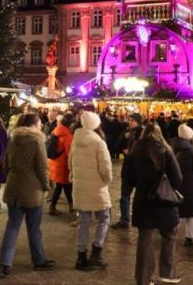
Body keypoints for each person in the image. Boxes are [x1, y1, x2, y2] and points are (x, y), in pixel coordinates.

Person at [123, 123, 183, 285]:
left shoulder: (135, 151)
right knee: (169, 235)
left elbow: (128, 177)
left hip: (143, 201)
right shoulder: (166, 150)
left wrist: (140, 186)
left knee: (145, 241)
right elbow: (177, 179)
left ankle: (143, 279)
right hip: (164, 201)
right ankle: (167, 272)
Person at [0, 113, 55, 278]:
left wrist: (12, 178)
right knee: (34, 228)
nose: (41, 126)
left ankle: (4, 264)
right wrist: (46, 186)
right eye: (39, 123)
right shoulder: (37, 141)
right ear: (34, 125)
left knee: (12, 227)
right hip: (32, 190)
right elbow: (43, 167)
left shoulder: (13, 140)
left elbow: (5, 165)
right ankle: (39, 260)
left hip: (14, 189)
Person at [69, 111, 113, 271]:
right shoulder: (98, 142)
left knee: (84, 222)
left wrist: (74, 175)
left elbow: (70, 162)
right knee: (104, 218)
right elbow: (106, 168)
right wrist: (107, 181)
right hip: (97, 188)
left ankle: (81, 257)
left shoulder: (76, 139)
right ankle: (96, 253)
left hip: (80, 187)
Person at [170, 124, 193, 247]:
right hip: (190, 185)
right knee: (191, 212)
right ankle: (190, 237)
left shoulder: (172, 147)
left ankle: (171, 234)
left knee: (176, 210)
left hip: (176, 184)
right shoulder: (192, 150)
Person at [112, 113, 143, 229]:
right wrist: (124, 139)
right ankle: (124, 220)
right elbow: (116, 147)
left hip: (139, 171)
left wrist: (132, 154)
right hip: (128, 170)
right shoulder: (127, 133)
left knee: (140, 197)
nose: (129, 122)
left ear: (138, 122)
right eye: (129, 120)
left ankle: (141, 219)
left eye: (132, 120)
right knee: (124, 197)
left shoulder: (144, 134)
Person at [48, 114, 74, 216]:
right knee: (65, 185)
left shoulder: (56, 131)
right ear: (70, 124)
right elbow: (69, 153)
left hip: (55, 163)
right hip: (63, 165)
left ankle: (68, 205)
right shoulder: (67, 136)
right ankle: (69, 206)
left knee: (61, 185)